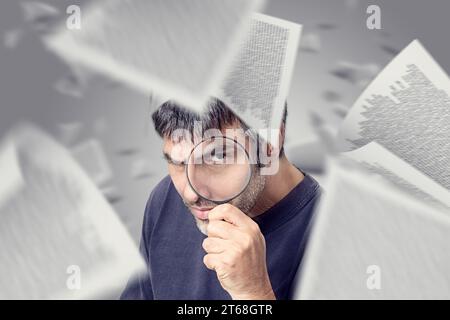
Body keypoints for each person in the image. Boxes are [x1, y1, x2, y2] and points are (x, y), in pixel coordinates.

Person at [121, 98, 320, 300]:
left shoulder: (334, 236)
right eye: (177, 162)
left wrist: (253, 294)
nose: (190, 194)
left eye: (216, 157)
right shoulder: (165, 197)